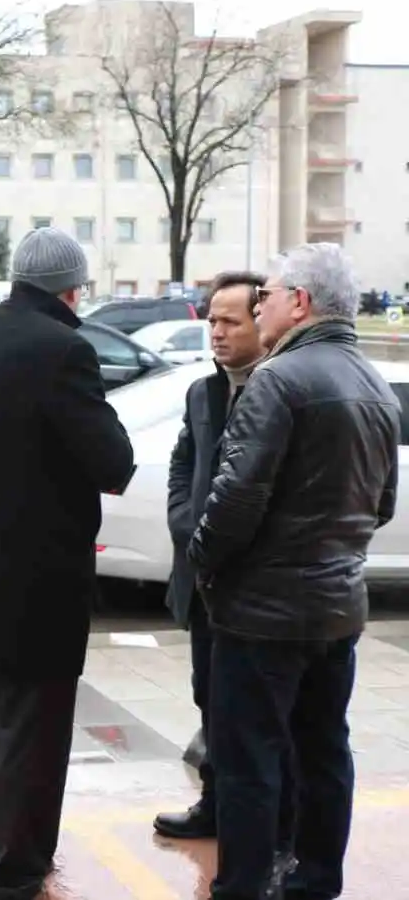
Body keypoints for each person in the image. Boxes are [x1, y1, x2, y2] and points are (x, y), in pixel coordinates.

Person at [189, 243, 399, 900]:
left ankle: (244, 887)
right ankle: (315, 881)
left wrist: (203, 561)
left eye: (268, 296)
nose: (260, 306)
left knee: (249, 761)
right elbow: (382, 503)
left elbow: (235, 498)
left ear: (300, 303)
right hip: (337, 608)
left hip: (263, 613)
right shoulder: (374, 385)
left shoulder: (279, 380)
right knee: (324, 751)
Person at [0, 228, 135, 900]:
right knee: (38, 725)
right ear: (71, 287)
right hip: (44, 566)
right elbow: (112, 460)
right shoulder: (65, 348)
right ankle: (15, 871)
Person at [153, 271, 272, 842]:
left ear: (263, 321)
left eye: (230, 321)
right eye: (211, 320)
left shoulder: (276, 390)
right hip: (204, 578)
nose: (216, 333)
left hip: (255, 586)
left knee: (252, 711)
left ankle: (264, 824)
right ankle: (215, 804)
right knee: (209, 695)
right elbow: (183, 464)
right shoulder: (203, 391)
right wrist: (184, 524)